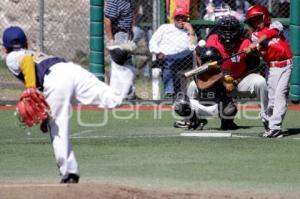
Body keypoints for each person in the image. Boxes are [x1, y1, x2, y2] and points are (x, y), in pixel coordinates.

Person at [2, 26, 125, 183]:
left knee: (58, 129)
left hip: (54, 80)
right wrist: (46, 116)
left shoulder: (12, 57)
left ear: (5, 48)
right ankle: (121, 63)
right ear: (26, 43)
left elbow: (25, 62)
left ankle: (69, 173)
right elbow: (30, 62)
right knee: (113, 99)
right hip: (71, 70)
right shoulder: (33, 52)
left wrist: (30, 88)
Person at [205, 15, 269, 129]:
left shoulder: (245, 43)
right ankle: (192, 119)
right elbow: (209, 66)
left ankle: (267, 116)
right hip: (217, 82)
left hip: (239, 82)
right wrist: (223, 82)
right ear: (219, 30)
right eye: (225, 29)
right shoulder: (212, 39)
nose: (228, 33)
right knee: (193, 86)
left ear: (237, 30)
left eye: (231, 29)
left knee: (261, 82)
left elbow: (251, 68)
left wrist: (235, 82)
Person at [244, 5, 293, 138]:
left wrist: (255, 43)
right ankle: (267, 118)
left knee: (280, 95)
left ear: (265, 17)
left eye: (258, 18)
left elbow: (270, 33)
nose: (256, 22)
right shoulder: (254, 36)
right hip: (272, 68)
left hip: (286, 65)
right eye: (253, 20)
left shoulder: (275, 25)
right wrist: (252, 50)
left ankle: (275, 127)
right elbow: (261, 53)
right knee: (272, 99)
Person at [174, 45, 238, 130]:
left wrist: (228, 83)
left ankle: (227, 122)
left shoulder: (224, 73)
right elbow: (203, 84)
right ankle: (195, 121)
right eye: (206, 60)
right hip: (200, 106)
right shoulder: (198, 73)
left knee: (230, 108)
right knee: (180, 102)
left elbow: (229, 86)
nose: (209, 62)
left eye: (212, 60)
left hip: (217, 107)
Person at [149, 7, 197, 99]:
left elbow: (193, 47)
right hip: (164, 57)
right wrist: (158, 52)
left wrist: (191, 30)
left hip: (184, 59)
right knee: (167, 63)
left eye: (182, 17)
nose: (180, 20)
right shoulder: (164, 28)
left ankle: (169, 91)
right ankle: (170, 93)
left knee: (170, 60)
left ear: (186, 19)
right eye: (177, 17)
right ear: (173, 19)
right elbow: (152, 42)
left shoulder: (189, 31)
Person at [104, 0, 136, 99]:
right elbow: (107, 20)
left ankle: (127, 93)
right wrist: (111, 41)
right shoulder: (115, 1)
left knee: (127, 65)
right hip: (119, 34)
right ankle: (119, 94)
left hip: (126, 33)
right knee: (120, 66)